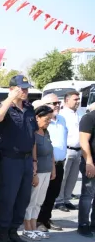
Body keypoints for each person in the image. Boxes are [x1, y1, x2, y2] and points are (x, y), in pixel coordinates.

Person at [0, 75, 37, 242]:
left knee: (23, 198)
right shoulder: (4, 107)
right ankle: (2, 233)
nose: (25, 91)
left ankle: (13, 231)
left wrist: (34, 161)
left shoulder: (29, 108)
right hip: (10, 160)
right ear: (12, 89)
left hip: (26, 160)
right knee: (7, 198)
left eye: (26, 88)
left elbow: (32, 136)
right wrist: (10, 98)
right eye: (21, 88)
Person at [22, 104, 56, 241]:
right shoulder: (32, 134)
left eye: (50, 119)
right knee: (31, 200)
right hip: (37, 172)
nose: (48, 122)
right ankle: (27, 228)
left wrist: (53, 168)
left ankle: (34, 226)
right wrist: (34, 174)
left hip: (47, 172)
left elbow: (51, 152)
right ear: (37, 117)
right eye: (46, 119)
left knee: (39, 201)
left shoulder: (46, 132)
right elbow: (31, 156)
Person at [37, 94, 67, 232]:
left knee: (53, 194)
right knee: (41, 195)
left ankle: (46, 218)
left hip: (59, 163)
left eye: (58, 102)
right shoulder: (40, 124)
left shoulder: (61, 120)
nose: (57, 105)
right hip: (44, 164)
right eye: (53, 103)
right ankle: (38, 221)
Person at [56, 90, 82, 212]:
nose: (78, 102)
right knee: (63, 177)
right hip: (67, 149)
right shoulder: (62, 114)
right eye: (75, 99)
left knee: (73, 177)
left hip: (78, 150)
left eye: (78, 99)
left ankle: (66, 199)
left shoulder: (77, 113)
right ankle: (59, 200)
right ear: (67, 100)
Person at [77, 107, 95, 237]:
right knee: (87, 195)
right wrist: (89, 161)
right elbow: (84, 141)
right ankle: (83, 224)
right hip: (91, 163)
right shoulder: (89, 118)